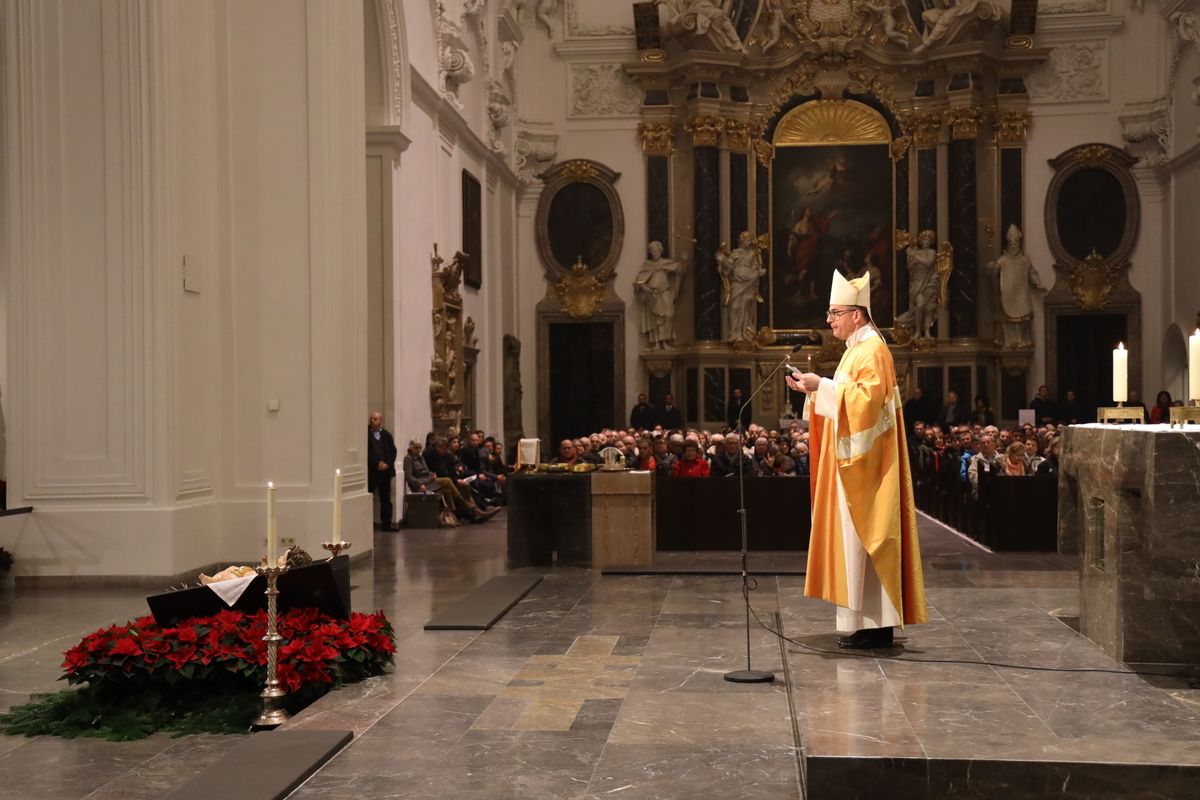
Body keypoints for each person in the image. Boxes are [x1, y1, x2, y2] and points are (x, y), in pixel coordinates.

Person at [787, 271, 927, 649]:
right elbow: (849, 399)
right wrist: (813, 391)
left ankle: (876, 626)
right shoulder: (856, 349)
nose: (829, 319)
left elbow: (866, 405)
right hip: (852, 466)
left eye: (835, 312)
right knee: (853, 546)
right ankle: (863, 624)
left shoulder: (873, 350)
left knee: (869, 540)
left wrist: (824, 386)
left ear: (857, 315)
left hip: (869, 469)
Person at [403, 438, 495, 524]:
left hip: (429, 480)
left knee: (450, 490)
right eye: (416, 448)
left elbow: (427, 471)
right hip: (421, 483)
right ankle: (471, 507)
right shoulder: (409, 459)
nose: (418, 450)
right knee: (448, 481)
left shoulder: (420, 457)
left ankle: (454, 517)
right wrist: (419, 484)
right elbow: (409, 476)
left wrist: (432, 474)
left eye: (420, 448)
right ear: (411, 448)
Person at [987, 224, 1044, 349]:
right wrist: (992, 269)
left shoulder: (1025, 260)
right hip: (1008, 293)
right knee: (1008, 319)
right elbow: (993, 272)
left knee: (1022, 318)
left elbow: (1032, 272)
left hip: (1022, 293)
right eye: (1011, 243)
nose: (1013, 245)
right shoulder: (1002, 260)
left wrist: (1037, 284)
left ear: (1019, 242)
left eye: (1016, 242)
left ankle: (1022, 339)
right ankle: (1009, 340)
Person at [634, 241, 686, 348]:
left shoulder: (666, 263)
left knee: (669, 315)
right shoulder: (647, 265)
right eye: (652, 251)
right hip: (653, 295)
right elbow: (638, 283)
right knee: (655, 319)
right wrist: (645, 288)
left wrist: (684, 261)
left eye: (656, 250)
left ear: (660, 251)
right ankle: (657, 342)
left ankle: (665, 341)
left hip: (665, 292)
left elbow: (680, 271)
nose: (654, 253)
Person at [717, 232, 766, 345]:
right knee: (735, 306)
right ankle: (734, 333)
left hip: (749, 283)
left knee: (747, 307)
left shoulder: (753, 254)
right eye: (747, 239)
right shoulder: (735, 253)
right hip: (737, 282)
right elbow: (728, 268)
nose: (749, 242)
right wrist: (722, 259)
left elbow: (756, 268)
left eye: (750, 240)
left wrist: (758, 273)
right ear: (741, 241)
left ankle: (745, 332)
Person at [895, 230, 939, 339]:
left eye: (929, 239)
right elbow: (910, 267)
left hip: (929, 281)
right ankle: (918, 331)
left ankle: (927, 332)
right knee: (920, 305)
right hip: (917, 283)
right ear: (920, 240)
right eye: (924, 239)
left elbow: (929, 263)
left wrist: (915, 256)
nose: (926, 241)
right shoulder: (916, 252)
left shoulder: (932, 252)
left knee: (929, 307)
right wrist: (913, 259)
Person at [368, 411, 398, 530]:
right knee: (370, 497)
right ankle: (369, 522)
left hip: (385, 472)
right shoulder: (366, 434)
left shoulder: (386, 435)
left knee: (385, 498)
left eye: (375, 419)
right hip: (372, 471)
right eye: (371, 419)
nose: (372, 421)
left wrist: (387, 464)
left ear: (381, 421)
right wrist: (377, 463)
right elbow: (367, 453)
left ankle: (387, 523)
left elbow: (393, 451)